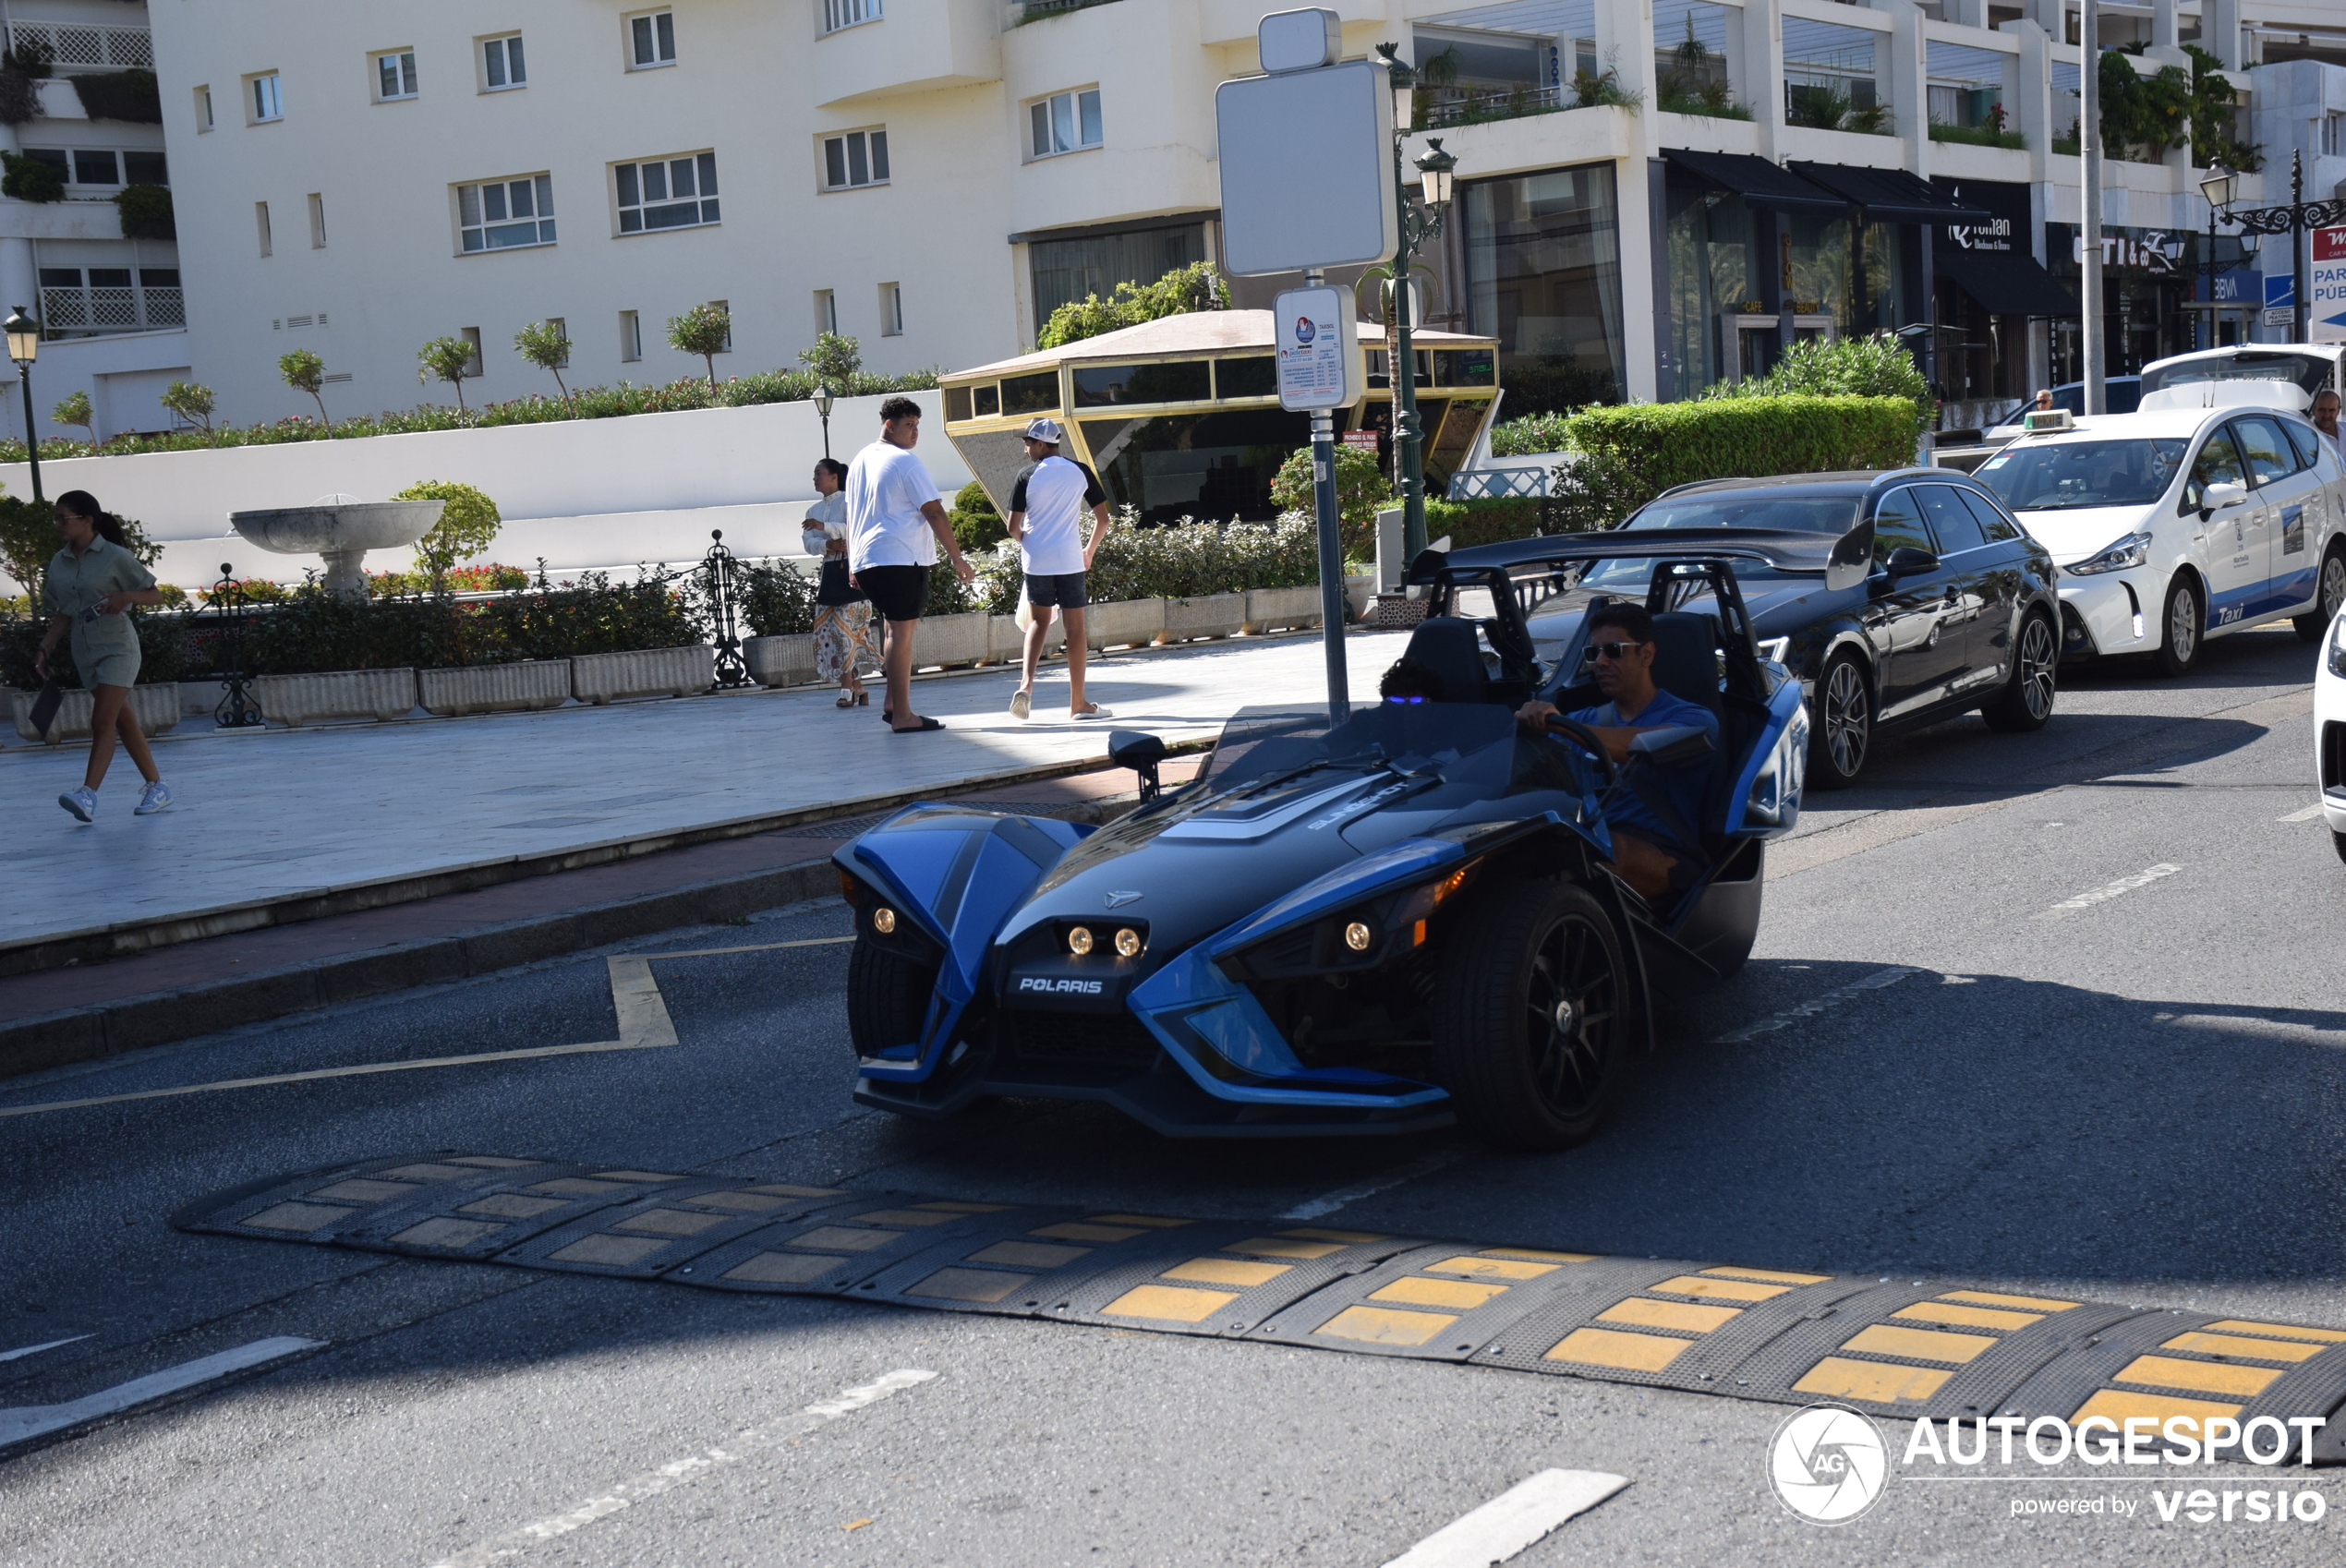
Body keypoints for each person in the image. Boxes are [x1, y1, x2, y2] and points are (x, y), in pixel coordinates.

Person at [1514, 602, 1717, 903]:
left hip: (1667, 852)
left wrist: (1560, 727)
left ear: (1646, 654)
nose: (1601, 662)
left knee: (1593, 850)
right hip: (1588, 837)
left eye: (1614, 650)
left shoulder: (1695, 720)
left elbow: (1630, 745)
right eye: (1593, 653)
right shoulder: (1583, 719)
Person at [36, 489, 171, 821]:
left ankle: (88, 794)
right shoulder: (60, 561)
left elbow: (155, 595)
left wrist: (125, 595)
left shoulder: (114, 556)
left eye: (63, 518)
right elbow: (64, 613)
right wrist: (45, 647)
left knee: (102, 721)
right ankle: (157, 786)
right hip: (85, 652)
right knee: (123, 722)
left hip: (117, 649)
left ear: (87, 520)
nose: (58, 524)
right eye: (56, 518)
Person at [845, 395, 975, 734]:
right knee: (901, 633)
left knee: (893, 629)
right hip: (900, 557)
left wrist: (853, 561)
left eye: (917, 425)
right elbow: (933, 510)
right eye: (908, 425)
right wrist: (957, 557)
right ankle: (903, 715)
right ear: (889, 425)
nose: (915, 432)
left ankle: (892, 702)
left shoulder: (860, 459)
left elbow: (852, 513)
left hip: (869, 559)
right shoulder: (905, 462)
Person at [1004, 417, 1114, 722]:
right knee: (1075, 629)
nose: (1025, 449)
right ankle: (1078, 704)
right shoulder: (1079, 471)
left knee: (1038, 623)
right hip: (1069, 560)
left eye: (1028, 443)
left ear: (1041, 444)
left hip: (1037, 561)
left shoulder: (1026, 475)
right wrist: (1088, 551)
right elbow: (1103, 519)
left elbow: (1012, 527)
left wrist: (1032, 543)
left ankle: (1025, 687)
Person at [802, 457, 878, 708]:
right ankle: (859, 688)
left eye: (818, 473)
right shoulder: (812, 511)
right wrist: (827, 544)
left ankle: (846, 689)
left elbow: (858, 528)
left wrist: (826, 528)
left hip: (854, 575)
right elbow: (808, 543)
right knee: (828, 633)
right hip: (830, 575)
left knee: (844, 632)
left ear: (834, 476)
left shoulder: (850, 502)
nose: (814, 478)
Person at [2312, 388, 2342, 466]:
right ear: (2313, 410)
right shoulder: (2305, 436)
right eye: (2322, 410)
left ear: (2338, 410)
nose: (2327, 415)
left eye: (2331, 410)